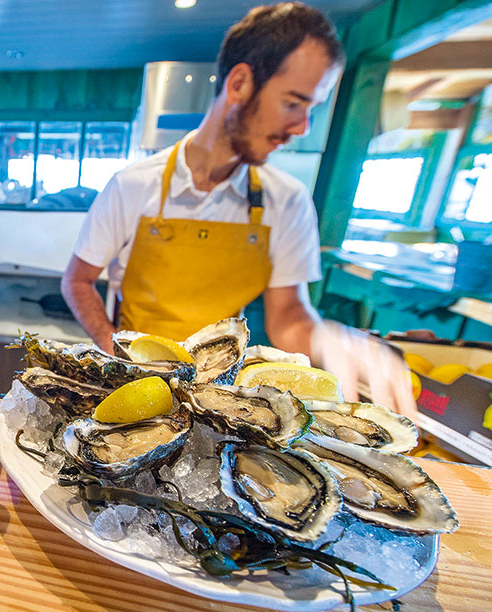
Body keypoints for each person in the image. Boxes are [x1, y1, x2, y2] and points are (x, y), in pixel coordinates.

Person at [61, 3, 416, 417]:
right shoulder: (133, 185)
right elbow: (78, 281)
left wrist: (327, 337)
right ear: (241, 83)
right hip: (136, 378)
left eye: (310, 110)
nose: (302, 126)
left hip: (220, 391)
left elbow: (289, 316)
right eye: (293, 103)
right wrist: (113, 352)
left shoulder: (289, 201)